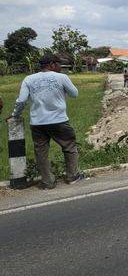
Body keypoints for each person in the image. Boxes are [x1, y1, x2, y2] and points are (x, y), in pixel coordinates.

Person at [10, 54, 84, 189]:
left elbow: (21, 101)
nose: (61, 67)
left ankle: (47, 182)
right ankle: (72, 176)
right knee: (69, 147)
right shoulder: (62, 78)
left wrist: (15, 115)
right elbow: (74, 94)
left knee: (41, 153)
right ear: (51, 64)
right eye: (59, 64)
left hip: (38, 123)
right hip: (59, 121)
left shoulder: (28, 79)